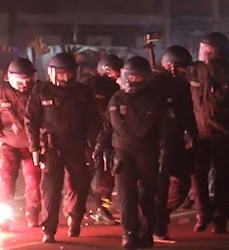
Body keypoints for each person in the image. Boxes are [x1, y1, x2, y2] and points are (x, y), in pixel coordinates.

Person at [94, 56, 176, 249]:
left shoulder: (157, 100)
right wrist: (100, 146)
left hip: (149, 154)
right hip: (123, 154)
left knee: (148, 196)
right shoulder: (117, 98)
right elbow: (107, 127)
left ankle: (146, 232)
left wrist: (165, 154)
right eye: (131, 77)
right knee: (126, 197)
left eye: (138, 78)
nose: (134, 81)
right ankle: (128, 234)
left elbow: (166, 130)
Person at [25, 52, 100, 243]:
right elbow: (31, 120)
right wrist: (34, 148)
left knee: (78, 185)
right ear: (52, 73)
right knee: (50, 189)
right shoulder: (41, 91)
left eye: (69, 74)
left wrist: (94, 146)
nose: (66, 78)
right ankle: (48, 229)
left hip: (77, 146)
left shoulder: (83, 92)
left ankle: (75, 219)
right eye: (61, 74)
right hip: (51, 147)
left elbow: (93, 120)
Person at [188, 32, 229, 233]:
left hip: (224, 134)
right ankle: (203, 213)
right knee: (197, 177)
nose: (202, 52)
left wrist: (228, 113)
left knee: (224, 178)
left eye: (206, 49)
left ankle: (220, 217)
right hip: (197, 136)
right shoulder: (193, 72)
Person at [0, 58, 41, 230]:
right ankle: (4, 216)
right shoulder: (0, 91)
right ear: (10, 78)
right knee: (6, 178)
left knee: (33, 179)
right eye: (20, 80)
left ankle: (33, 213)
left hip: (32, 144)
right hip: (8, 143)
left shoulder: (39, 90)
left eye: (28, 80)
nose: (24, 84)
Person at [152, 45, 198, 240]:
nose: (183, 73)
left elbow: (188, 114)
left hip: (176, 141)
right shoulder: (151, 84)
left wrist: (194, 136)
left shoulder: (180, 86)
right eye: (181, 68)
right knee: (158, 186)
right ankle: (156, 225)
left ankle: (159, 216)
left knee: (180, 185)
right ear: (171, 66)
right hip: (154, 143)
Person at [82, 54, 122, 225]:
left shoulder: (117, 88)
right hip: (88, 138)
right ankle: (80, 207)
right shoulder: (89, 84)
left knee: (106, 176)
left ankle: (102, 207)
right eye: (114, 71)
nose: (116, 75)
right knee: (84, 175)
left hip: (108, 138)